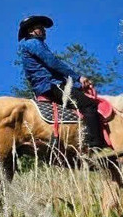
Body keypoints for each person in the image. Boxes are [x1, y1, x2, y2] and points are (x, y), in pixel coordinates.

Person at [17, 15, 108, 151]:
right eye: (40, 28)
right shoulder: (33, 43)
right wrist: (78, 78)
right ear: (31, 31)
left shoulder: (32, 45)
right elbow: (53, 63)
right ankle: (96, 146)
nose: (44, 30)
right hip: (51, 85)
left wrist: (77, 86)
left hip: (46, 86)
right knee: (89, 105)